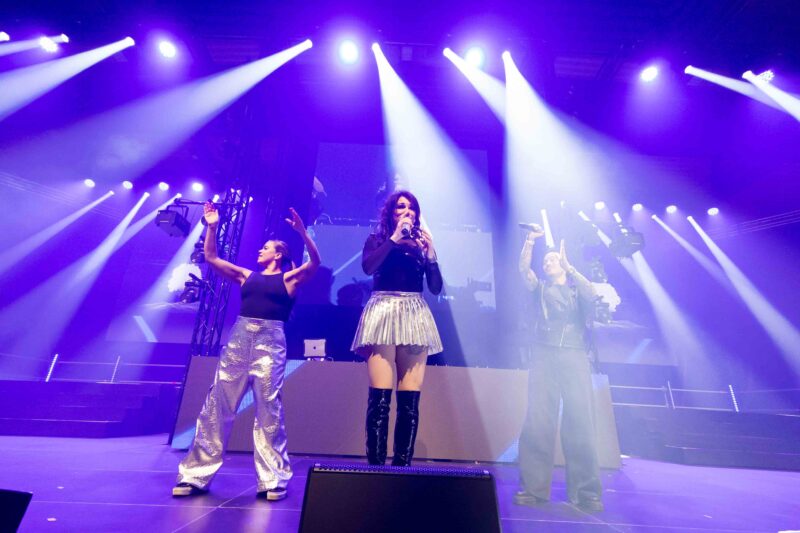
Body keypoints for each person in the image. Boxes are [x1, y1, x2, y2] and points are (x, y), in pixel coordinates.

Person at [173, 203, 320, 500]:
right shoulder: (245, 275)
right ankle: (195, 476)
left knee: (269, 410)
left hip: (270, 342)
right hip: (240, 340)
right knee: (217, 405)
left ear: (278, 255)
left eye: (266, 248)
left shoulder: (289, 279)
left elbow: (315, 262)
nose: (260, 251)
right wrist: (212, 226)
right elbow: (212, 258)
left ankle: (273, 479)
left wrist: (303, 233)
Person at [351, 190, 443, 466]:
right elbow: (368, 267)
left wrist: (431, 255)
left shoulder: (420, 245)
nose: (407, 211)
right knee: (380, 396)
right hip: (383, 311)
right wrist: (393, 238)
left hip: (414, 313)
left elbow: (435, 288)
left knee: (410, 399)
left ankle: (403, 467)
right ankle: (376, 468)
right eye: (401, 207)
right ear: (391, 213)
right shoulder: (378, 239)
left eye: (411, 208)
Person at [515, 228, 604, 512]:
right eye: (546, 261)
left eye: (553, 259)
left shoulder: (578, 289)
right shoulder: (540, 288)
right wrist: (530, 242)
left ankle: (586, 491)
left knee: (580, 421)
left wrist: (571, 268)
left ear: (564, 264)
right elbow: (524, 270)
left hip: (575, 355)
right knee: (538, 421)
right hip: (544, 353)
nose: (547, 263)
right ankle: (534, 488)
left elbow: (592, 294)